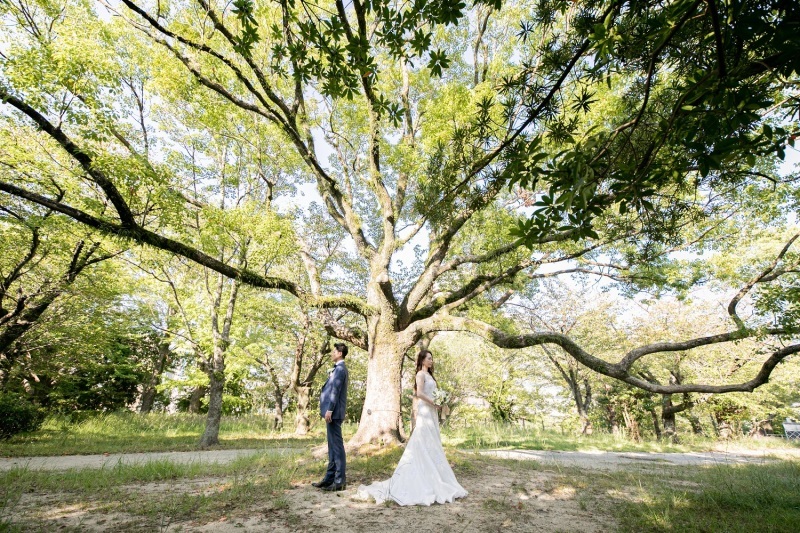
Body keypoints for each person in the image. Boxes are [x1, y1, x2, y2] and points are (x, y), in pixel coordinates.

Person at [356, 350, 468, 506]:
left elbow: (432, 392)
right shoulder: (420, 375)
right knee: (422, 439)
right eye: (429, 358)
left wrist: (439, 401)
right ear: (422, 360)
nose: (431, 361)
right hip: (425, 409)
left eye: (432, 358)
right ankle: (419, 476)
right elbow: (420, 393)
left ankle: (433, 475)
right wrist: (433, 402)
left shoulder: (430, 376)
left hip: (432, 411)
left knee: (432, 442)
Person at [312, 342, 349, 491]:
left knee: (337, 447)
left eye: (334, 351)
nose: (332, 353)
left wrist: (330, 410)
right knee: (332, 446)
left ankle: (340, 480)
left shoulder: (340, 369)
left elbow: (335, 391)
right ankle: (329, 478)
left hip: (334, 412)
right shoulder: (337, 369)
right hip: (332, 412)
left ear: (340, 353)